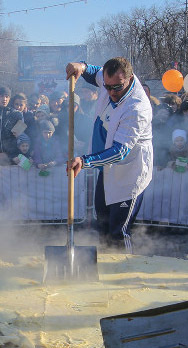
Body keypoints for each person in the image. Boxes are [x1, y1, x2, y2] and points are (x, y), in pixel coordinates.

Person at [66, 57, 153, 251]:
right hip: (108, 170)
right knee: (102, 223)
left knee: (118, 230)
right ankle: (104, 266)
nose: (111, 92)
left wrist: (84, 161)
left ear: (130, 79)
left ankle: (124, 272)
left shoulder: (137, 108)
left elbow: (119, 151)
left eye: (117, 88)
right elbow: (93, 72)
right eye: (107, 87)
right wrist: (82, 66)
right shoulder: (110, 81)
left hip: (130, 173)